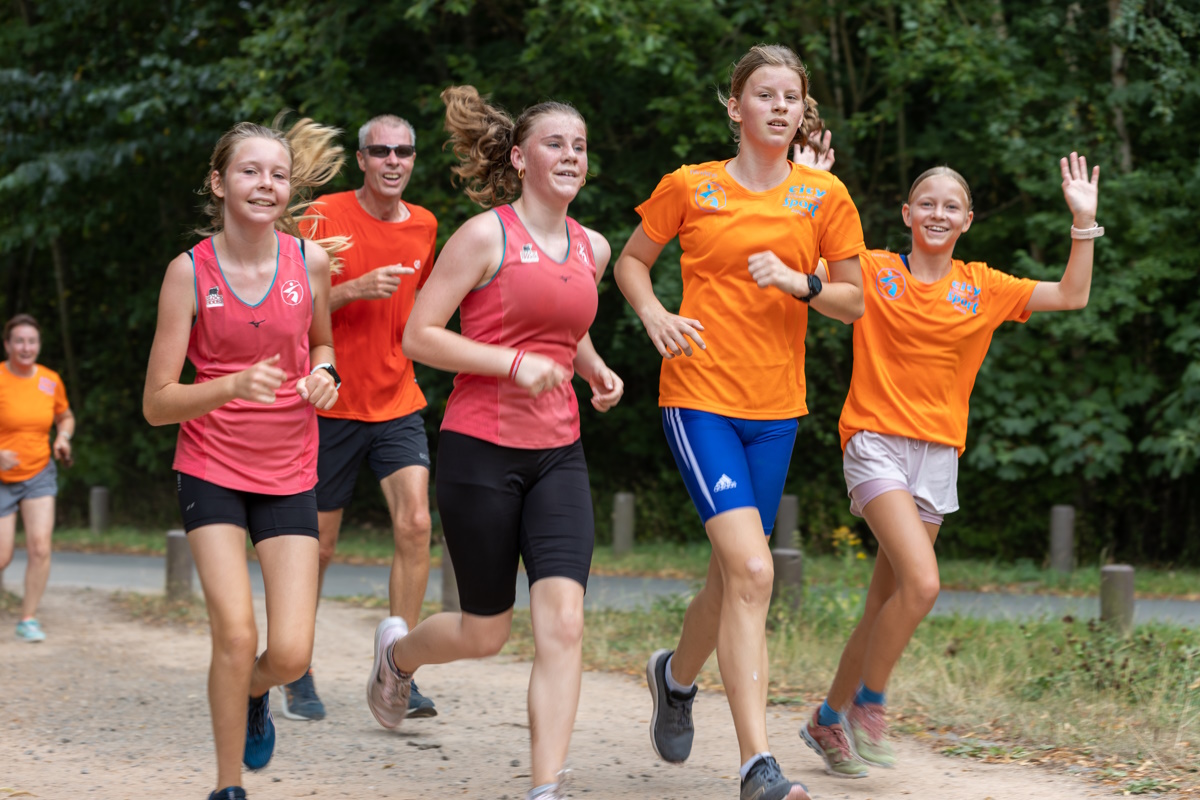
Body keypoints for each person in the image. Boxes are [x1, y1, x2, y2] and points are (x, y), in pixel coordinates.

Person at [613, 44, 866, 800]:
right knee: (755, 568)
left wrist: (802, 281)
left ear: (801, 109)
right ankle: (759, 764)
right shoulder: (692, 186)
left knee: (732, 579)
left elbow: (853, 299)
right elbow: (631, 260)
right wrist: (655, 312)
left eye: (791, 96)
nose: (779, 106)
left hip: (777, 408)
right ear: (735, 107)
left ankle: (675, 675)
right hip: (699, 398)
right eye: (764, 94)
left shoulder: (824, 197)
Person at [799, 153, 1101, 778]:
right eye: (927, 204)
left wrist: (1083, 222)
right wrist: (807, 188)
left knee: (886, 600)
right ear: (907, 214)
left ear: (968, 219)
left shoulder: (985, 286)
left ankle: (828, 717)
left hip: (937, 456)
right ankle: (870, 707)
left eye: (951, 206)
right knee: (925, 583)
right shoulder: (875, 271)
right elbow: (804, 269)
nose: (938, 213)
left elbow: (1073, 295)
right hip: (874, 441)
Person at [366, 85, 623, 800]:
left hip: (558, 454)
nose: (570, 154)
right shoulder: (485, 236)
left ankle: (547, 787)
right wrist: (513, 363)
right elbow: (420, 335)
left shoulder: (591, 246)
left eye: (578, 145)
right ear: (519, 157)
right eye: (554, 143)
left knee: (564, 623)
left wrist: (594, 368)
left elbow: (565, 326)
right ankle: (399, 657)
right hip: (481, 449)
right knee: (485, 631)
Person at [143, 114, 344, 800]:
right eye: (250, 171)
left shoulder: (308, 262)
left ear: (290, 189)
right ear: (219, 182)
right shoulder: (188, 273)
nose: (266, 184)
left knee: (288, 654)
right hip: (211, 467)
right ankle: (228, 786)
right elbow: (158, 402)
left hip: (290, 467)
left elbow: (322, 345)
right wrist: (230, 385)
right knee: (236, 633)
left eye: (278, 174)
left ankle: (258, 693)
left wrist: (327, 374)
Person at [290, 113, 438, 722]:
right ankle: (296, 668)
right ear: (361, 160)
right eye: (381, 151)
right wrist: (352, 290)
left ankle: (399, 668)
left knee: (416, 523)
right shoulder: (322, 217)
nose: (393, 161)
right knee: (318, 547)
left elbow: (425, 311)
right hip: (332, 405)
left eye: (404, 151)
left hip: (398, 398)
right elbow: (286, 305)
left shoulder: (427, 225)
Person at [0, 313, 74, 642]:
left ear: (39, 345)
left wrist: (63, 437)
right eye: (19, 340)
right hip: (2, 478)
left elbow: (65, 415)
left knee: (40, 548)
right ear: (7, 345)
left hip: (39, 472)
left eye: (32, 341)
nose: (26, 347)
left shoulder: (49, 380)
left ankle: (28, 618)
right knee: (2, 555)